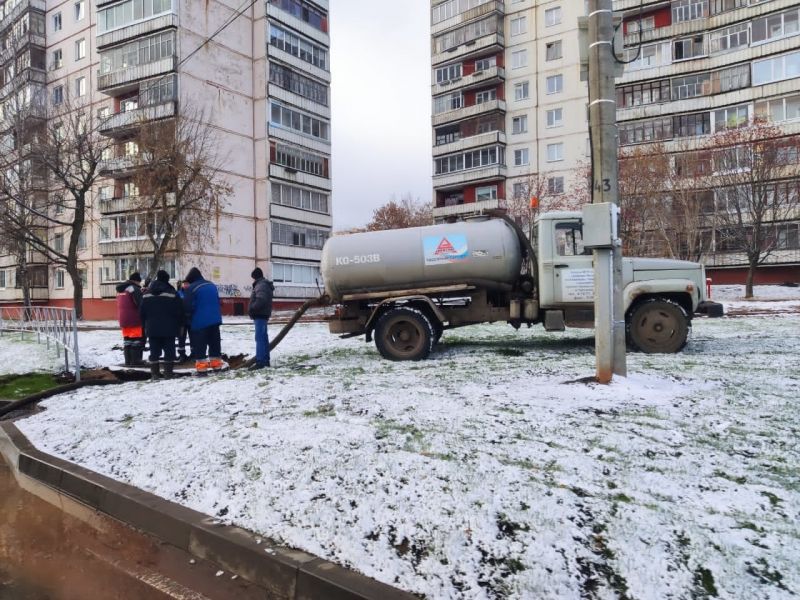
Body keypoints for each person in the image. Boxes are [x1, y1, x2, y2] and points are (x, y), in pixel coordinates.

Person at [139, 270, 183, 379]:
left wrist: (145, 325)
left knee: (154, 351)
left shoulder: (146, 294)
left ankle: (155, 374)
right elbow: (180, 311)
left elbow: (141, 313)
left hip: (152, 329)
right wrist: (181, 325)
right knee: (169, 351)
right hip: (169, 328)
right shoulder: (172, 293)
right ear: (167, 280)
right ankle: (168, 373)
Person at [183, 267, 223, 373]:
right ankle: (217, 367)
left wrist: (187, 318)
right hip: (215, 321)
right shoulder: (212, 285)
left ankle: (202, 370)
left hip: (200, 323)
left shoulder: (191, 289)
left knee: (200, 347)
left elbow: (187, 307)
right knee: (214, 345)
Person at [116, 272, 145, 366]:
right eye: (139, 282)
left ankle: (128, 361)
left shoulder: (121, 289)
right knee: (136, 341)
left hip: (123, 319)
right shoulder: (134, 288)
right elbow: (140, 303)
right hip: (134, 319)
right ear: (136, 281)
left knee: (127, 341)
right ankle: (135, 361)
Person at [248, 267, 274, 370]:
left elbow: (261, 300)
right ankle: (265, 360)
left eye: (253, 278)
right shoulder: (263, 284)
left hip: (260, 315)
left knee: (260, 339)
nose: (253, 280)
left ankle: (260, 362)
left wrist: (252, 309)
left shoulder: (261, 285)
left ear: (256, 277)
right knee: (263, 338)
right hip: (262, 315)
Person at [174, 279, 189, 362]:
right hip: (181, 320)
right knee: (181, 337)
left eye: (187, 284)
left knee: (193, 337)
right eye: (185, 284)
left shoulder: (191, 293)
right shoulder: (178, 293)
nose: (186, 285)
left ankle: (193, 353)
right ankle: (181, 354)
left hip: (190, 319)